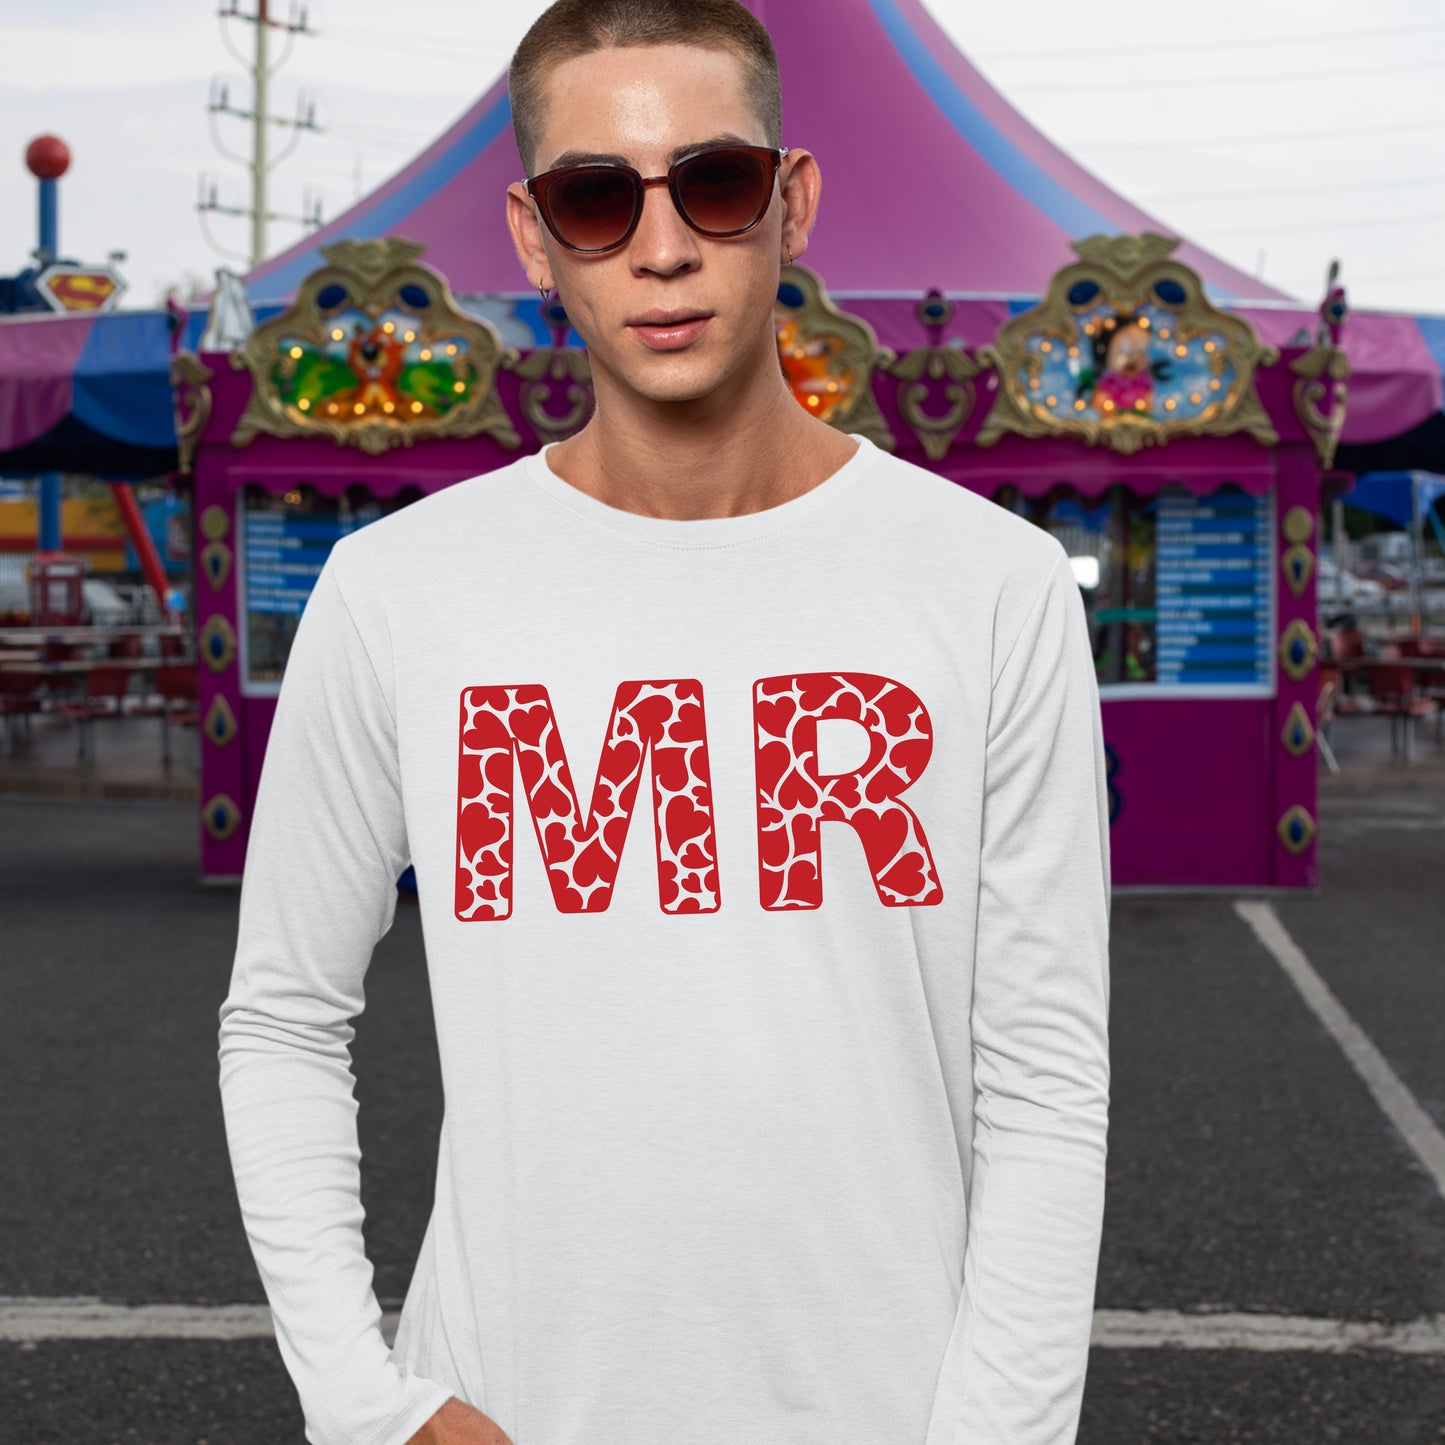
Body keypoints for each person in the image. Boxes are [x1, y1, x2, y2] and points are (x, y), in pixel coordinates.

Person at [216, 2, 1112, 1442]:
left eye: (714, 181)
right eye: (595, 198)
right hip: (511, 1407)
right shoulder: (397, 592)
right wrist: (364, 1401)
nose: (662, 247)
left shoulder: (991, 584)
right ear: (532, 236)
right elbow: (281, 1017)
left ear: (791, 201)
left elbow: (1046, 1072)